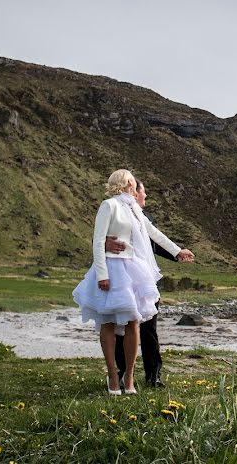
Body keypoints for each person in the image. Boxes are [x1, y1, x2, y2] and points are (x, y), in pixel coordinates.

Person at [72, 169, 161, 395]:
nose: (135, 185)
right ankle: (113, 375)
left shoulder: (135, 210)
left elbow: (155, 234)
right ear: (126, 183)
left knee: (133, 322)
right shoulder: (108, 205)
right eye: (132, 181)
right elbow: (98, 240)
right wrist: (102, 274)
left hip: (132, 270)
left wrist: (179, 251)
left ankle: (129, 378)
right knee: (109, 323)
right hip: (111, 269)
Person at [106, 179, 194, 388]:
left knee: (149, 329)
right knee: (121, 328)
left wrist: (177, 252)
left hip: (145, 280)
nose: (145, 197)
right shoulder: (114, 212)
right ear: (134, 192)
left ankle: (153, 376)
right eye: (143, 192)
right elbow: (100, 237)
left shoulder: (146, 217)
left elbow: (155, 239)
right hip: (124, 278)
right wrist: (103, 243)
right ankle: (122, 375)